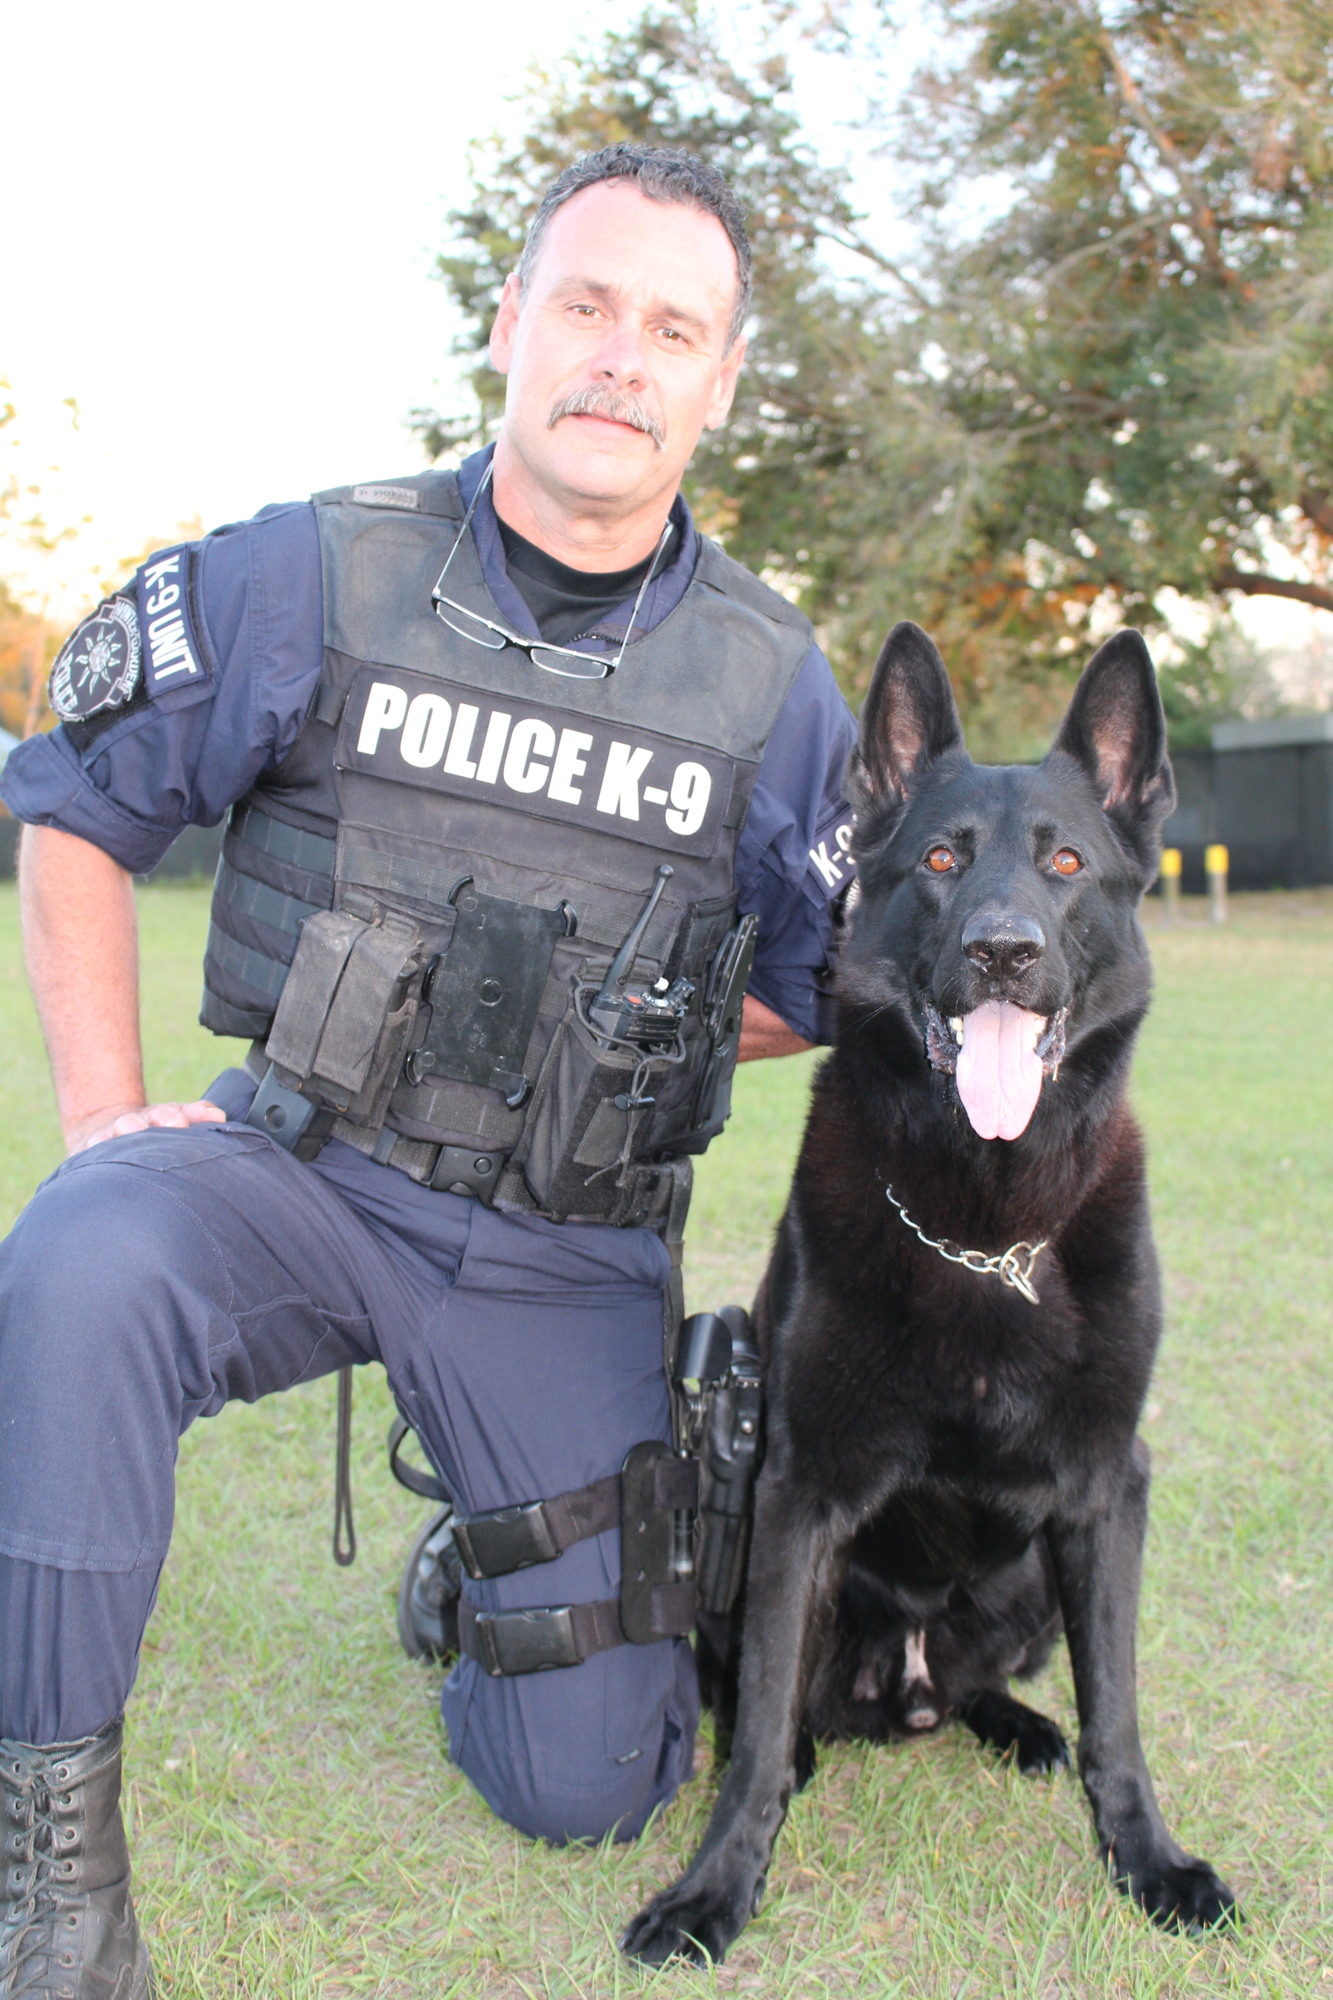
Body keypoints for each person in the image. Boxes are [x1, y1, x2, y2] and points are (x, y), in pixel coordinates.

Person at [0, 145, 857, 1999]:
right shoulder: (310, 567)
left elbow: (823, 986)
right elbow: (73, 811)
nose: (620, 360)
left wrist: (615, 1042)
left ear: (717, 385)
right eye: (587, 305)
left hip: (560, 1244)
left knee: (593, 1792)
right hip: (296, 1175)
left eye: (672, 330)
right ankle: (49, 1889)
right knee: (78, 1258)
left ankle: (487, 1578)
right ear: (507, 325)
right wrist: (97, 1119)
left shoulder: (776, 691)